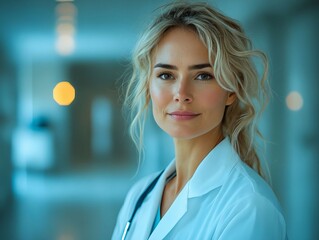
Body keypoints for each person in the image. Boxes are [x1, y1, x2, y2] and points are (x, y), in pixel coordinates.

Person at [112, 2, 287, 240]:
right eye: (166, 75)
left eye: (203, 75)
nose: (181, 92)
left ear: (231, 90)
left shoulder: (248, 207)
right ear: (148, 86)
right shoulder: (139, 195)